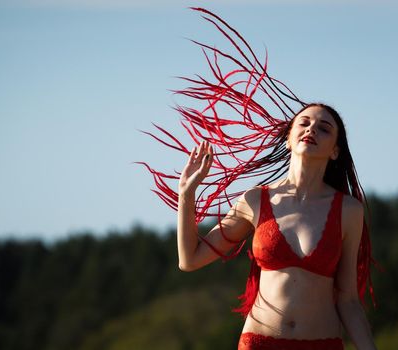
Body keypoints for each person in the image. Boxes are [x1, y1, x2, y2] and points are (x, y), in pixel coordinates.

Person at [137, 7, 379, 349]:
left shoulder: (348, 211)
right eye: (304, 123)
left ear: (335, 150)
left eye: (324, 128)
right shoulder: (256, 201)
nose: (312, 129)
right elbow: (189, 259)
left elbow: (348, 300)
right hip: (259, 342)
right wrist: (186, 195)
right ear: (289, 137)